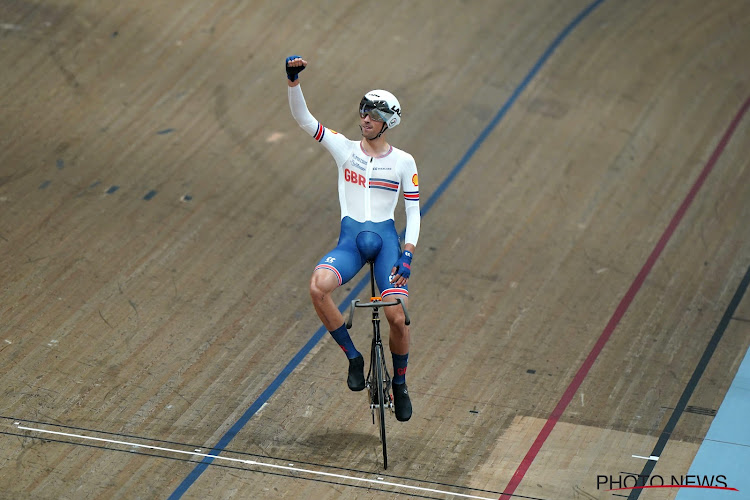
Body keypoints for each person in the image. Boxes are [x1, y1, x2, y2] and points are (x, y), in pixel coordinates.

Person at [286, 55, 420, 422]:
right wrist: (294, 83)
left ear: (387, 123)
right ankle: (354, 357)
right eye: (363, 112)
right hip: (351, 243)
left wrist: (407, 254)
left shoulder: (404, 162)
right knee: (317, 287)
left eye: (373, 116)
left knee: (396, 319)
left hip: (388, 244)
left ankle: (401, 383)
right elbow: (304, 120)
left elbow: (414, 213)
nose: (364, 119)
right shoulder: (344, 149)